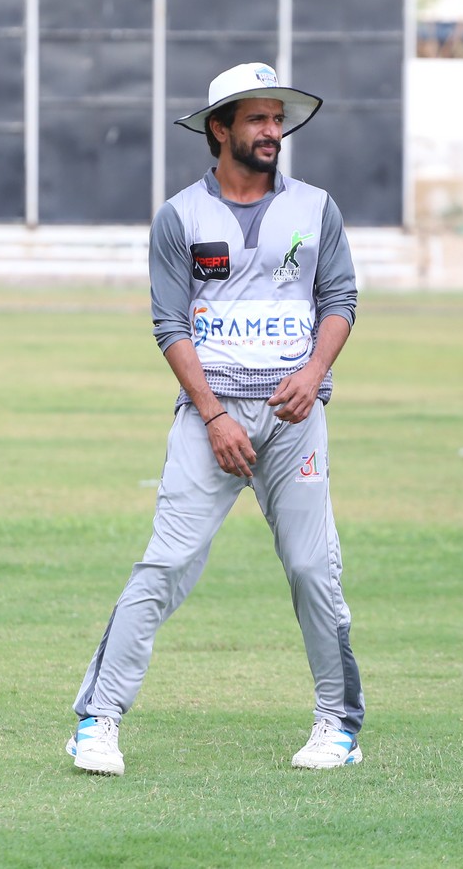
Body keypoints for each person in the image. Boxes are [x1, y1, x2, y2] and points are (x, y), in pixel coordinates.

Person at [66, 63, 365, 775]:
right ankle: (97, 722)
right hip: (210, 420)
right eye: (257, 118)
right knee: (166, 563)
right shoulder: (180, 217)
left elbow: (340, 300)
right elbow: (169, 323)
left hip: (294, 417)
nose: (272, 131)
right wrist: (213, 415)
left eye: (277, 118)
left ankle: (338, 725)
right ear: (219, 128)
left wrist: (312, 375)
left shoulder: (317, 208)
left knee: (312, 568)